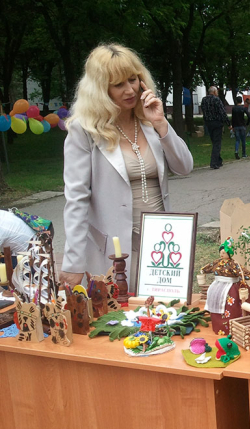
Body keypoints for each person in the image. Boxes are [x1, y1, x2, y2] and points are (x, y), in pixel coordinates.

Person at [60, 43, 193, 287]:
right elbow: (76, 199)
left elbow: (184, 167)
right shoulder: (84, 130)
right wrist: (73, 263)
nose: (130, 89)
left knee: (164, 309)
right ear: (101, 89)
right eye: (118, 84)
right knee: (121, 308)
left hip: (161, 244)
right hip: (115, 249)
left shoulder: (149, 121)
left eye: (133, 79)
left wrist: (161, 124)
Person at [200, 86, 231, 169]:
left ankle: (218, 160)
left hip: (208, 123)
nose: (217, 93)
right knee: (217, 143)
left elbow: (203, 110)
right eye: (216, 91)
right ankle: (214, 163)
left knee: (214, 141)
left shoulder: (204, 100)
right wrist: (228, 123)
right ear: (214, 92)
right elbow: (222, 112)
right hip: (217, 122)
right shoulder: (216, 99)